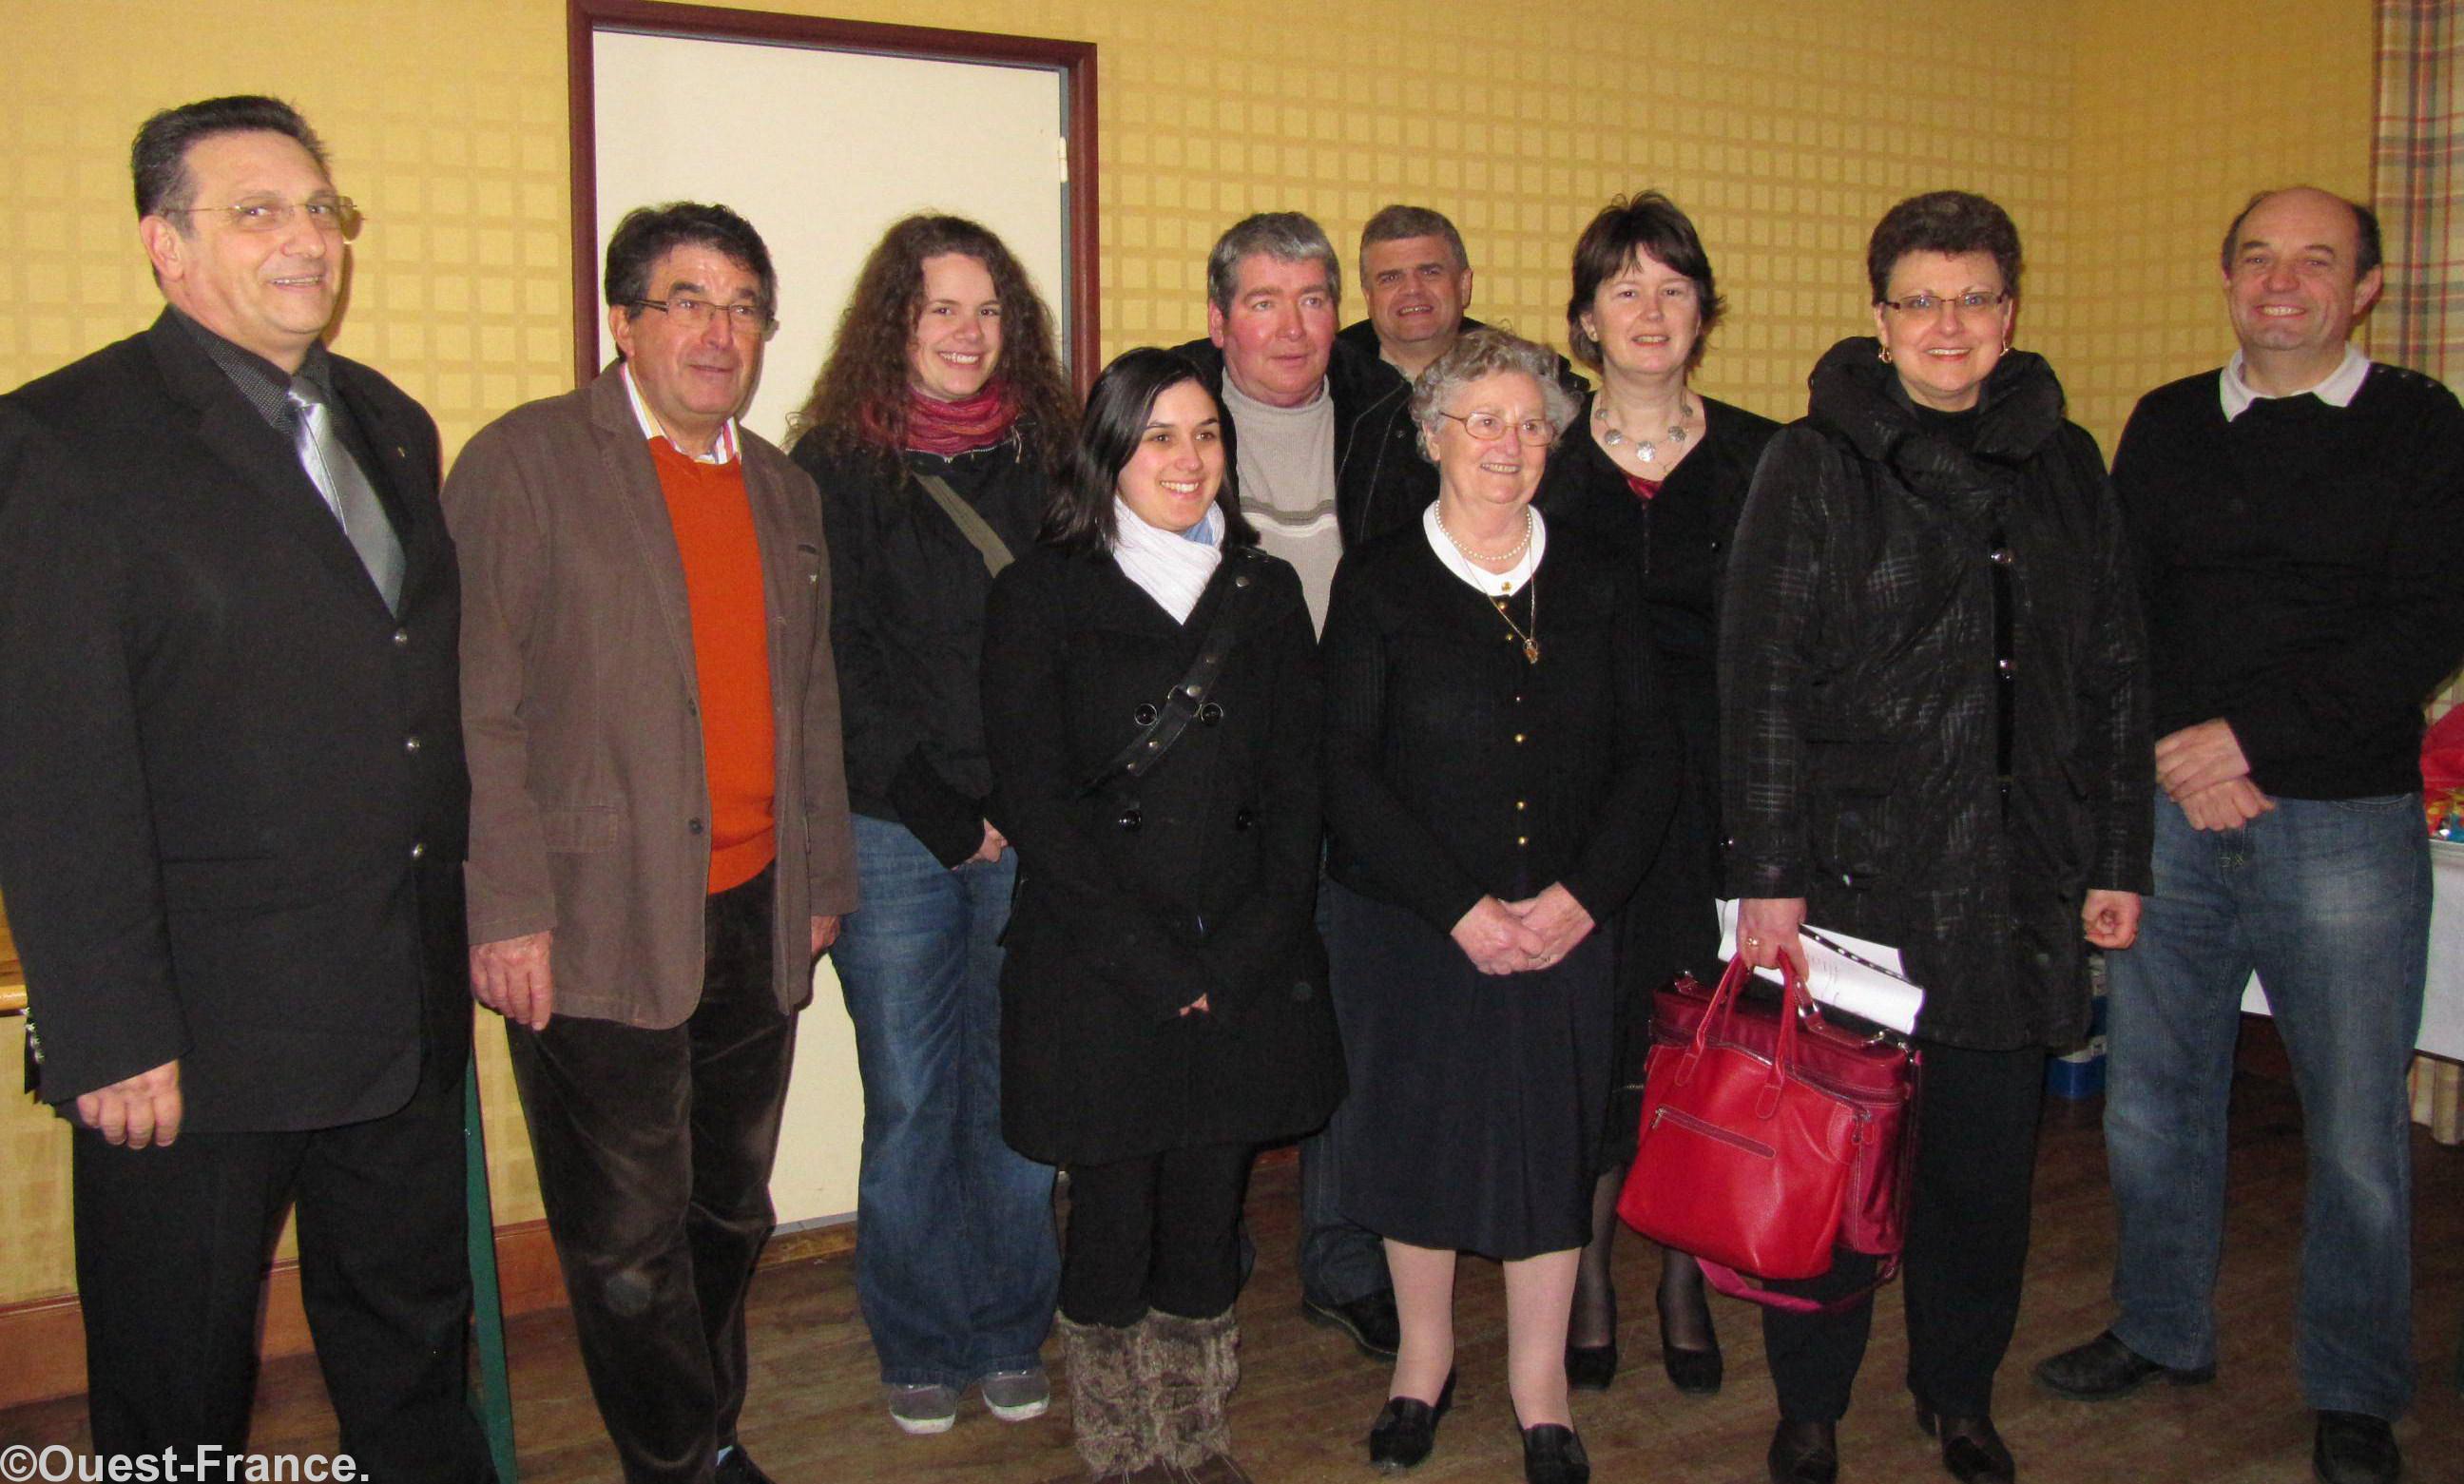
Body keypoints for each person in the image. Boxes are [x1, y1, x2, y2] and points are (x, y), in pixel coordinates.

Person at [0, 95, 490, 1478]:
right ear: (165, 245)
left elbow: (412, 690)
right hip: (197, 1036)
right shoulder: (66, 439)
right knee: (176, 1377)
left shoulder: (390, 423)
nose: (304, 241)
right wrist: (103, 1028)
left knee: (411, 1338)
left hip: (395, 994)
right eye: (256, 211)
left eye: (319, 209)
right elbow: (49, 758)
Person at [2032, 186, 2464, 1484]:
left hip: (2342, 820)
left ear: (2367, 287)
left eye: (2317, 261)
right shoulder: (2167, 422)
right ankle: (2162, 1329)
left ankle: (2353, 1387)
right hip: (2169, 808)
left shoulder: (2424, 427)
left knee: (2350, 1129)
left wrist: (2250, 740)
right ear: (2226, 278)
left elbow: (2426, 624)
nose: (2284, 283)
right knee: (2155, 1106)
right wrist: (2181, 746)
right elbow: (2113, 611)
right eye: (2259, 259)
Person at [1723, 190, 2150, 1484]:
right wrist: (1770, 882)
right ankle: (1811, 1405)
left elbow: (2119, 669)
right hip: (1861, 885)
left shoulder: (2066, 463)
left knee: (1981, 1176)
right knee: (1834, 1163)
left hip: (2020, 879)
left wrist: (2118, 857)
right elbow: (1766, 683)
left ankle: (1958, 1392)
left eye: (1973, 298)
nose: (1947, 325)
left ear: (2009, 313)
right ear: (1879, 316)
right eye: (1921, 299)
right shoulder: (1813, 462)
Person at [444, 202, 858, 1484]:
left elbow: (816, 697)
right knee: (624, 1240)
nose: (718, 329)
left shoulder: (784, 485)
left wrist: (821, 877)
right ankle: (677, 1462)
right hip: (591, 914)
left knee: (729, 1210)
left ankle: (710, 1423)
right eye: (687, 298)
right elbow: (474, 701)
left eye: (742, 304)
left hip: (753, 900)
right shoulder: (524, 463)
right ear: (623, 322)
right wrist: (504, 907)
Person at [1322, 327, 1679, 1484]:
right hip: (1416, 927)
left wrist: (1581, 900)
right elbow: (1346, 772)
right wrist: (1459, 908)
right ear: (1432, 435)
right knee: (1417, 1141)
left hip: (1570, 923)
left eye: (1531, 423)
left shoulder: (1598, 576)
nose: (1508, 443)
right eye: (1482, 419)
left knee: (1549, 1150)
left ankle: (1540, 1383)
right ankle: (1420, 1365)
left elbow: (1651, 760)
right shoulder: (1377, 578)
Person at [982, 347, 1345, 1483]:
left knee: (1206, 1200)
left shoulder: (1264, 589)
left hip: (1239, 952)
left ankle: (1191, 1432)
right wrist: (1149, 963)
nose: (1187, 461)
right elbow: (1034, 798)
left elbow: (1300, 792)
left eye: (1205, 436)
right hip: (1097, 958)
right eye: (1158, 438)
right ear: (1107, 456)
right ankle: (1118, 1442)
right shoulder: (1039, 592)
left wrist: (1239, 955)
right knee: (1110, 1209)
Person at [784, 214, 1071, 1436]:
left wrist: (1024, 801)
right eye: (939, 308)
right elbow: (835, 662)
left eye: (987, 309)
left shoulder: (1053, 457)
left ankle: (1010, 1324)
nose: (966, 333)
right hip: (894, 827)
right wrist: (950, 813)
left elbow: (1075, 639)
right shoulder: (834, 464)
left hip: (1032, 822)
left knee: (1017, 1089)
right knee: (910, 1094)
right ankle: (915, 1335)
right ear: (894, 323)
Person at [1532, 190, 1781, 1399]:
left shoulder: (1766, 457)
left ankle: (1683, 1269)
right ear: (1584, 317)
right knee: (1591, 1048)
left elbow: (1798, 648)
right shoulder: (1535, 455)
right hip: (1577, 807)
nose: (1649, 309)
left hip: (1723, 806)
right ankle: (1586, 1270)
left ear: (1704, 313)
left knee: (1700, 1046)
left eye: (1673, 287)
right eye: (1623, 288)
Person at [1169, 210, 1411, 1362]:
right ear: (1219, 319)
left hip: (1362, 777)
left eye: (1315, 297)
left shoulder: (1388, 417)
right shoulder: (1166, 422)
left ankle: (1345, 1259)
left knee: (1353, 1022)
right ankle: (1202, 1254)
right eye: (1263, 301)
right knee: (1217, 1021)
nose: (1292, 324)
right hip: (1219, 790)